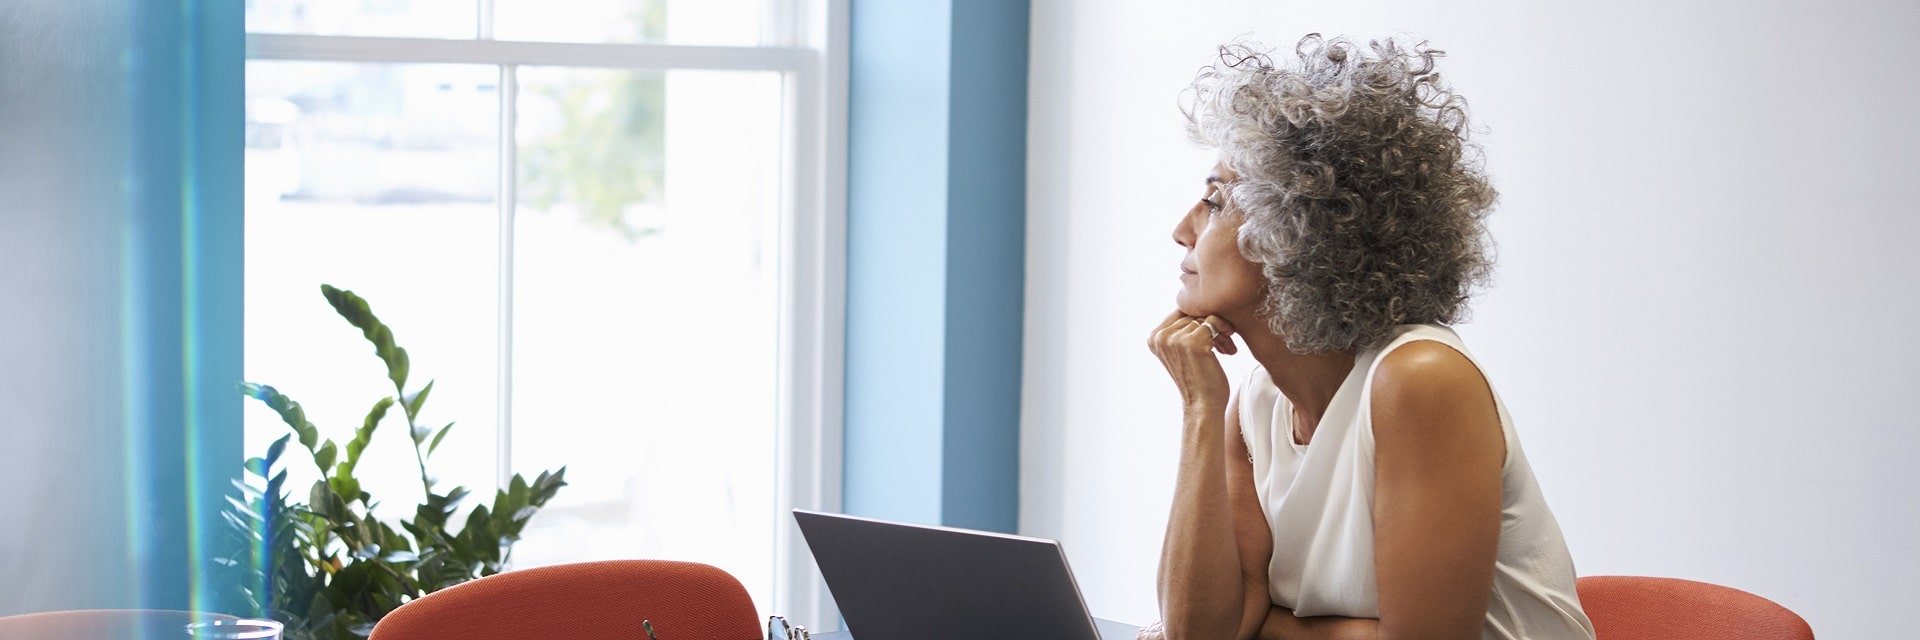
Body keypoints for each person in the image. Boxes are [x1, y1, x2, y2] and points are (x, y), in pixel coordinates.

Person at [1139, 34, 1595, 640]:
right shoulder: (1257, 404)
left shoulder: (1422, 380)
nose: (1182, 230)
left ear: (1296, 227)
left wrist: (1263, 628)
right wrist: (1201, 406)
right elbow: (1197, 634)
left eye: (1214, 202)